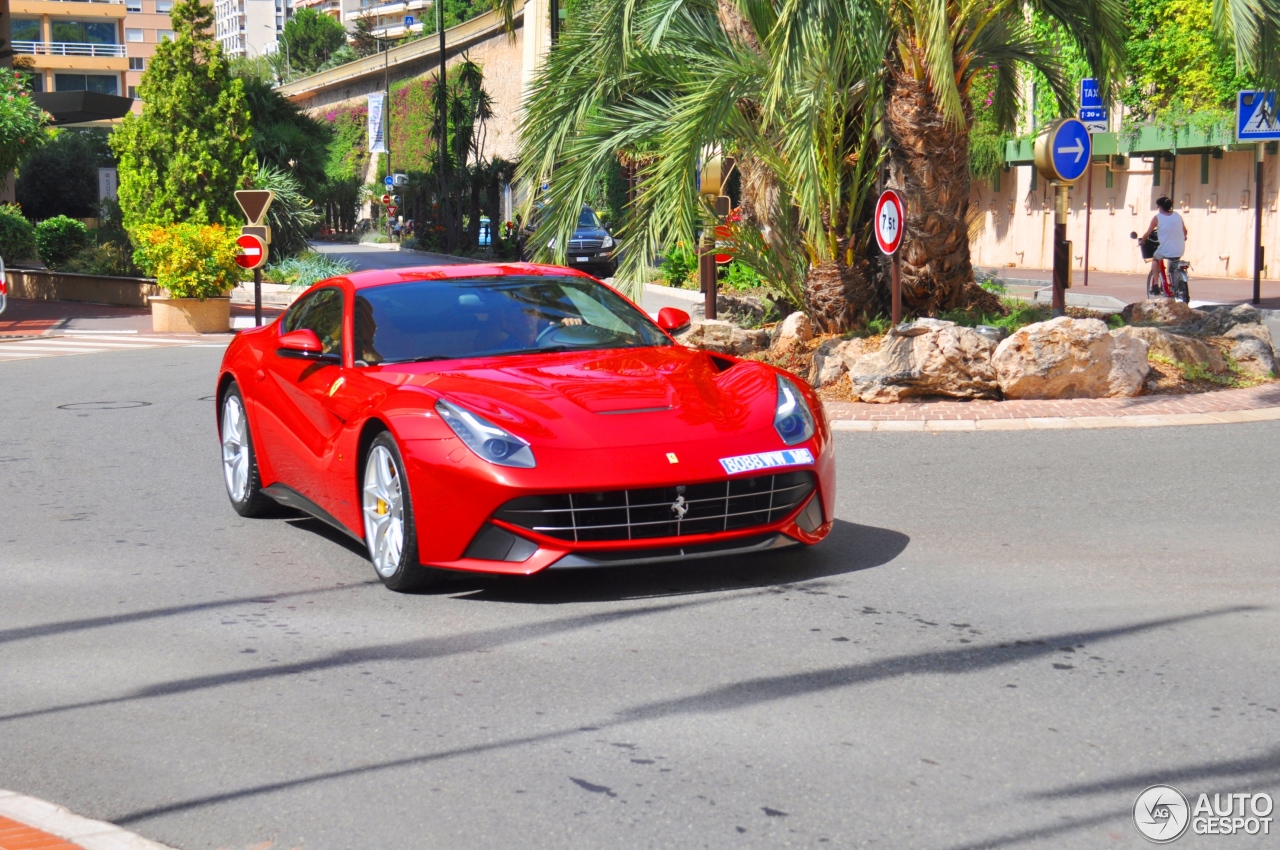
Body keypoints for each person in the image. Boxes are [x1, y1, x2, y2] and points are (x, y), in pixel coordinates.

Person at [1139, 197, 1188, 301]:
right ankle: (1175, 285)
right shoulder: (1177, 215)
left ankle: (1155, 285)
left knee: (1156, 258)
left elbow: (1148, 233)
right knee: (1173, 263)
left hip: (1166, 249)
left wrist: (1142, 241)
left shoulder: (1157, 218)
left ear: (1160, 207)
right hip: (1180, 248)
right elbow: (1185, 231)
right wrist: (1184, 237)